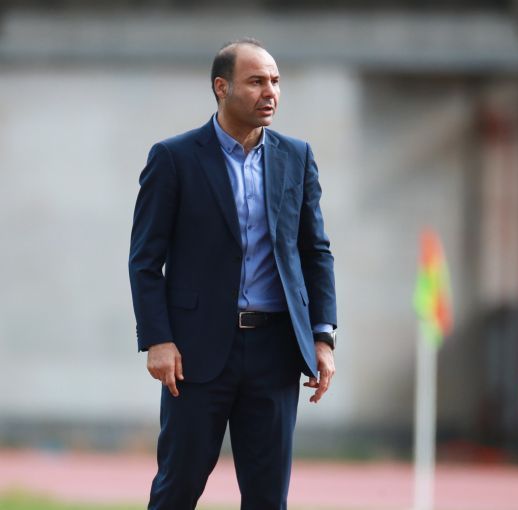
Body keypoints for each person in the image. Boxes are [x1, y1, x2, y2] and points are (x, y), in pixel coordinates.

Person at [128, 38, 338, 510]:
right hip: (196, 352)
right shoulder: (174, 158)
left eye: (276, 81)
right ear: (221, 88)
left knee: (268, 498)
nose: (271, 92)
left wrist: (323, 336)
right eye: (256, 81)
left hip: (275, 352)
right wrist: (158, 339)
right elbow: (144, 260)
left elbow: (315, 251)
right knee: (177, 488)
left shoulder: (297, 156)